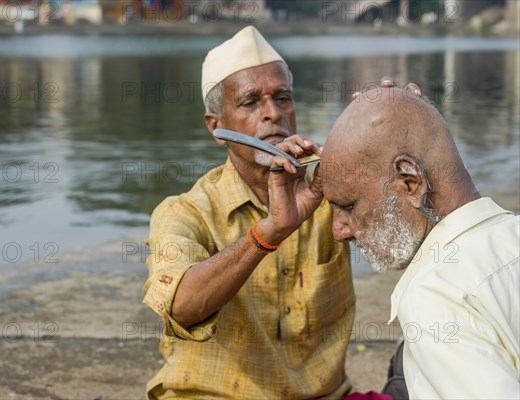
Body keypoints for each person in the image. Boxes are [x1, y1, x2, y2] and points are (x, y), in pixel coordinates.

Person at [142, 26, 356, 399]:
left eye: (283, 97)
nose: (273, 114)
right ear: (217, 128)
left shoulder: (329, 189)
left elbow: (412, 234)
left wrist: (397, 121)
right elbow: (181, 306)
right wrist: (270, 231)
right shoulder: (185, 212)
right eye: (250, 102)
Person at [318, 86, 519, 399]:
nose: (339, 231)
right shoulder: (512, 232)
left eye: (348, 205)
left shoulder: (435, 295)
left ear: (410, 182)